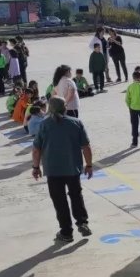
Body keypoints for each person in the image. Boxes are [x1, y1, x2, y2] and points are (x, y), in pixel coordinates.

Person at [31, 97, 94, 242]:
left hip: (53, 170)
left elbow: (36, 149)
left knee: (59, 200)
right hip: (72, 168)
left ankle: (66, 232)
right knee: (76, 195)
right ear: (65, 108)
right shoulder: (76, 123)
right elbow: (86, 147)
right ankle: (82, 222)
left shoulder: (44, 125)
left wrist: (35, 167)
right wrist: (89, 165)